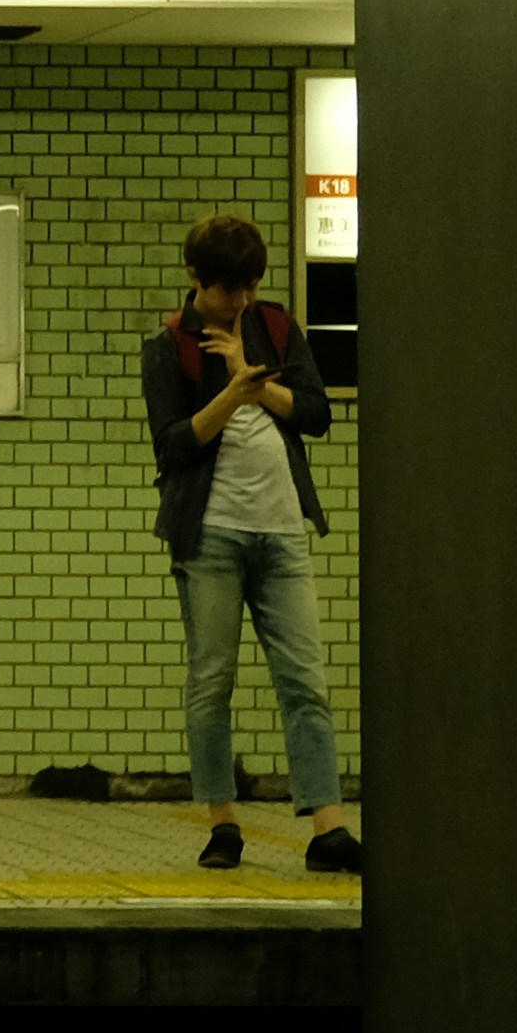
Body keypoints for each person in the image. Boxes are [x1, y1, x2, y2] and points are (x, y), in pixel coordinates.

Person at [144, 211, 357, 874]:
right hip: (209, 532)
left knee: (305, 680)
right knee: (212, 680)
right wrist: (231, 392)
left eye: (247, 287)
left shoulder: (274, 327)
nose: (238, 301)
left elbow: (317, 413)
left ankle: (327, 828)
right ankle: (223, 822)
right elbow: (174, 444)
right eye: (225, 289)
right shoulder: (169, 344)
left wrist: (256, 381)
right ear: (196, 278)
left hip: (283, 527)